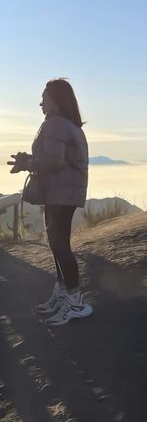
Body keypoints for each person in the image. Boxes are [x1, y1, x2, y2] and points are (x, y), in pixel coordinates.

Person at [7, 79, 93, 326]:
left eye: (44, 97)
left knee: (60, 245)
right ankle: (64, 293)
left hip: (61, 192)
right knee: (57, 244)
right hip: (63, 192)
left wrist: (29, 164)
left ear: (55, 99)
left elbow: (54, 162)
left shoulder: (55, 124)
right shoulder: (68, 125)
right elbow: (56, 158)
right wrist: (30, 160)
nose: (40, 103)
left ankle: (76, 302)